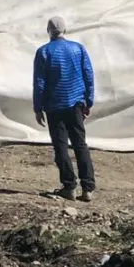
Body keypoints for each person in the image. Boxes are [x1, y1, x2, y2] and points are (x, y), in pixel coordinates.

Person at [34, 16, 96, 203]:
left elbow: (39, 83)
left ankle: (69, 186)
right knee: (80, 144)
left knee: (60, 146)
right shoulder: (78, 49)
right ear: (65, 30)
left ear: (48, 31)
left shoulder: (43, 52)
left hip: (54, 106)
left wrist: (38, 107)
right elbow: (88, 75)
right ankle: (88, 188)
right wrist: (88, 101)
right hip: (76, 102)